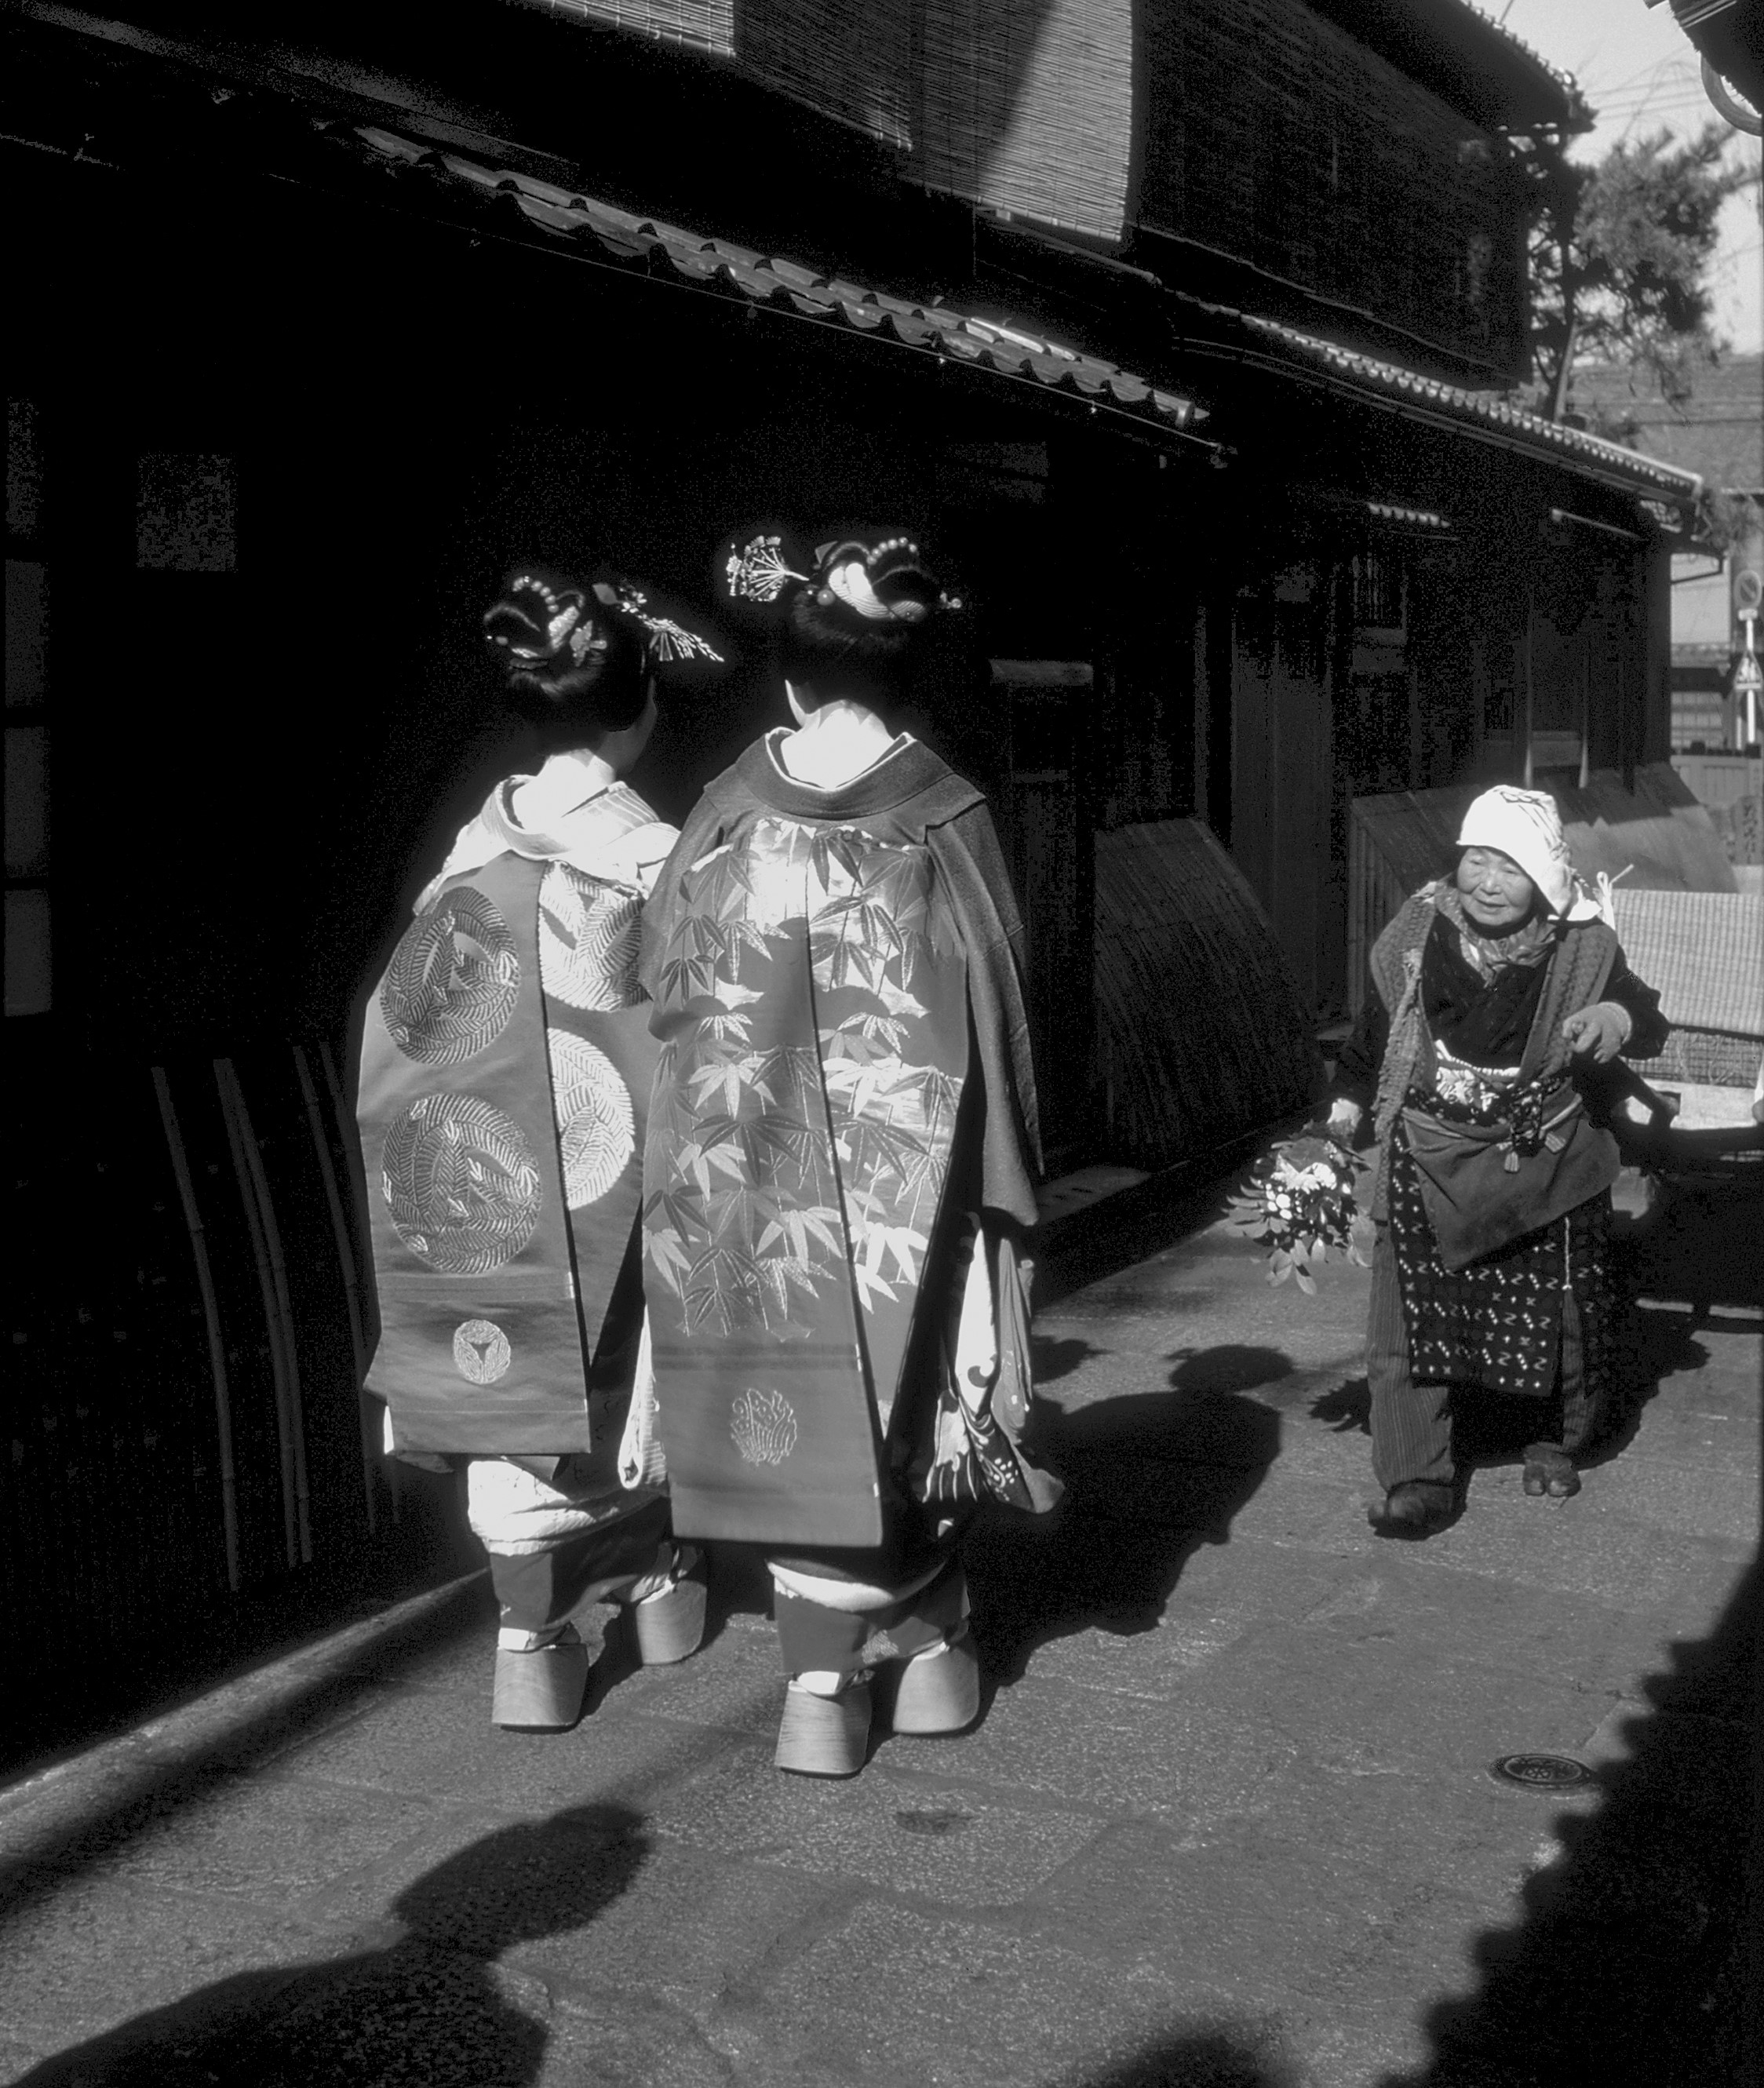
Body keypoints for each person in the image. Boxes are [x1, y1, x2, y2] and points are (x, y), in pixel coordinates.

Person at [635, 527, 1060, 1776]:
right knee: (920, 1388)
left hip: (742, 1177)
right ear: (911, 676)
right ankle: (931, 1650)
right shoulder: (946, 815)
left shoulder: (721, 815)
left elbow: (661, 982)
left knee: (778, 1388)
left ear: (789, 680)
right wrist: (1007, 1181)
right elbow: (1004, 999)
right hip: (904, 1185)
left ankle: (817, 1680)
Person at [356, 565, 720, 1728]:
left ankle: (531, 1634)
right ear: (643, 702)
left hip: (481, 1156)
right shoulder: (654, 854)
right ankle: (662, 1582)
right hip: (610, 1148)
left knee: (509, 1372)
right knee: (636, 1375)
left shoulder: (472, 845)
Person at [1330, 785, 1667, 1537]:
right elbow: (1372, 1038)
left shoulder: (1584, 946)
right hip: (1427, 1151)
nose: (1487, 882)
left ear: (1545, 881)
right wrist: (1346, 1107)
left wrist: (1612, 1016)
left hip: (1541, 1158)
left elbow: (1648, 1020)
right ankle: (1417, 1475)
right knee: (1406, 1319)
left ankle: (1555, 1437)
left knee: (1561, 1314)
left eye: (1509, 868)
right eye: (1478, 860)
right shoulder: (1416, 935)